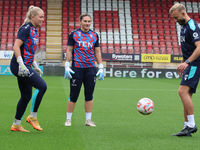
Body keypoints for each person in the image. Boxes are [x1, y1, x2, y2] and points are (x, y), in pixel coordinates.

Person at [10, 5, 47, 132]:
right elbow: (16, 47)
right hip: (18, 66)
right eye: (41, 17)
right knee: (42, 86)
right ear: (33, 17)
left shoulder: (35, 29)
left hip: (26, 65)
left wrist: (34, 65)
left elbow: (28, 50)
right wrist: (21, 64)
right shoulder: (26, 28)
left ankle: (16, 125)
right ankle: (32, 117)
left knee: (26, 96)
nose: (43, 19)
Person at [64, 13, 104, 127]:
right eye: (85, 21)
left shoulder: (95, 35)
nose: (87, 23)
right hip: (77, 68)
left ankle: (88, 120)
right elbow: (69, 49)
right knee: (73, 95)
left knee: (89, 95)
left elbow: (97, 51)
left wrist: (100, 66)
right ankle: (68, 120)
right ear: (80, 21)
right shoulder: (74, 34)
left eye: (89, 21)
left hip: (91, 69)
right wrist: (67, 64)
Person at [169, 3, 200, 136]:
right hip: (189, 64)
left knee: (182, 92)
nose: (175, 21)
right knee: (186, 95)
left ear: (183, 13)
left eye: (176, 17)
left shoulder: (192, 27)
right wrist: (183, 62)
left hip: (194, 64)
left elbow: (199, 47)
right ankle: (187, 126)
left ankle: (191, 125)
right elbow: (188, 48)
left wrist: (187, 62)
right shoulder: (183, 27)